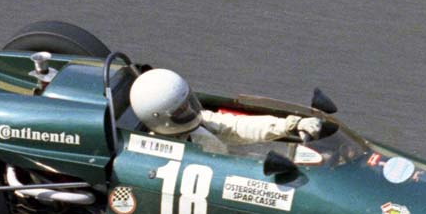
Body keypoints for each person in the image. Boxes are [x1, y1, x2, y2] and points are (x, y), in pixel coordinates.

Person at [129, 68, 323, 146]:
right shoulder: (150, 152)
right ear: (160, 118)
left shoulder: (199, 123)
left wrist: (289, 125)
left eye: (188, 103)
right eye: (181, 110)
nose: (189, 110)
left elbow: (236, 126)